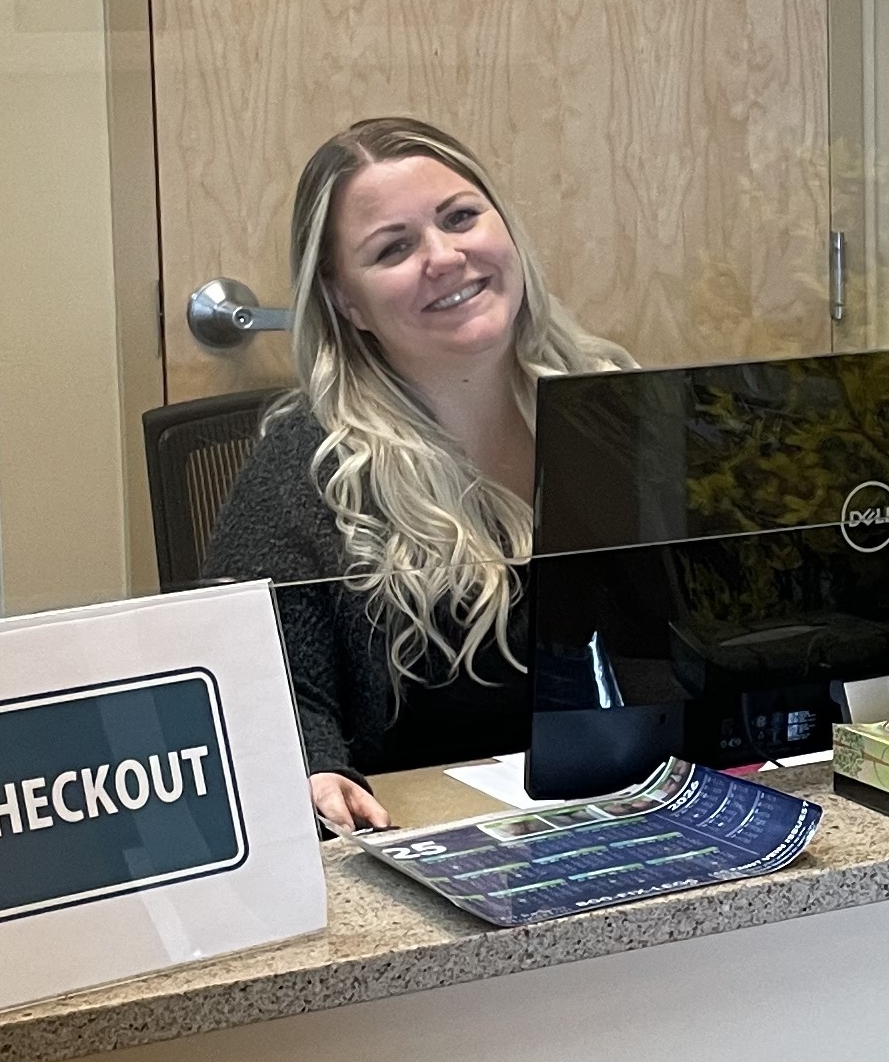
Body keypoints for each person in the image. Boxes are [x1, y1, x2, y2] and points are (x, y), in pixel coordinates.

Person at [201, 116, 630, 830]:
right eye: (394, 248)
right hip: (425, 845)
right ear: (346, 302)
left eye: (461, 217)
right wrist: (311, 767)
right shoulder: (308, 465)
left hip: (633, 818)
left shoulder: (616, 413)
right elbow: (259, 689)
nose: (444, 256)